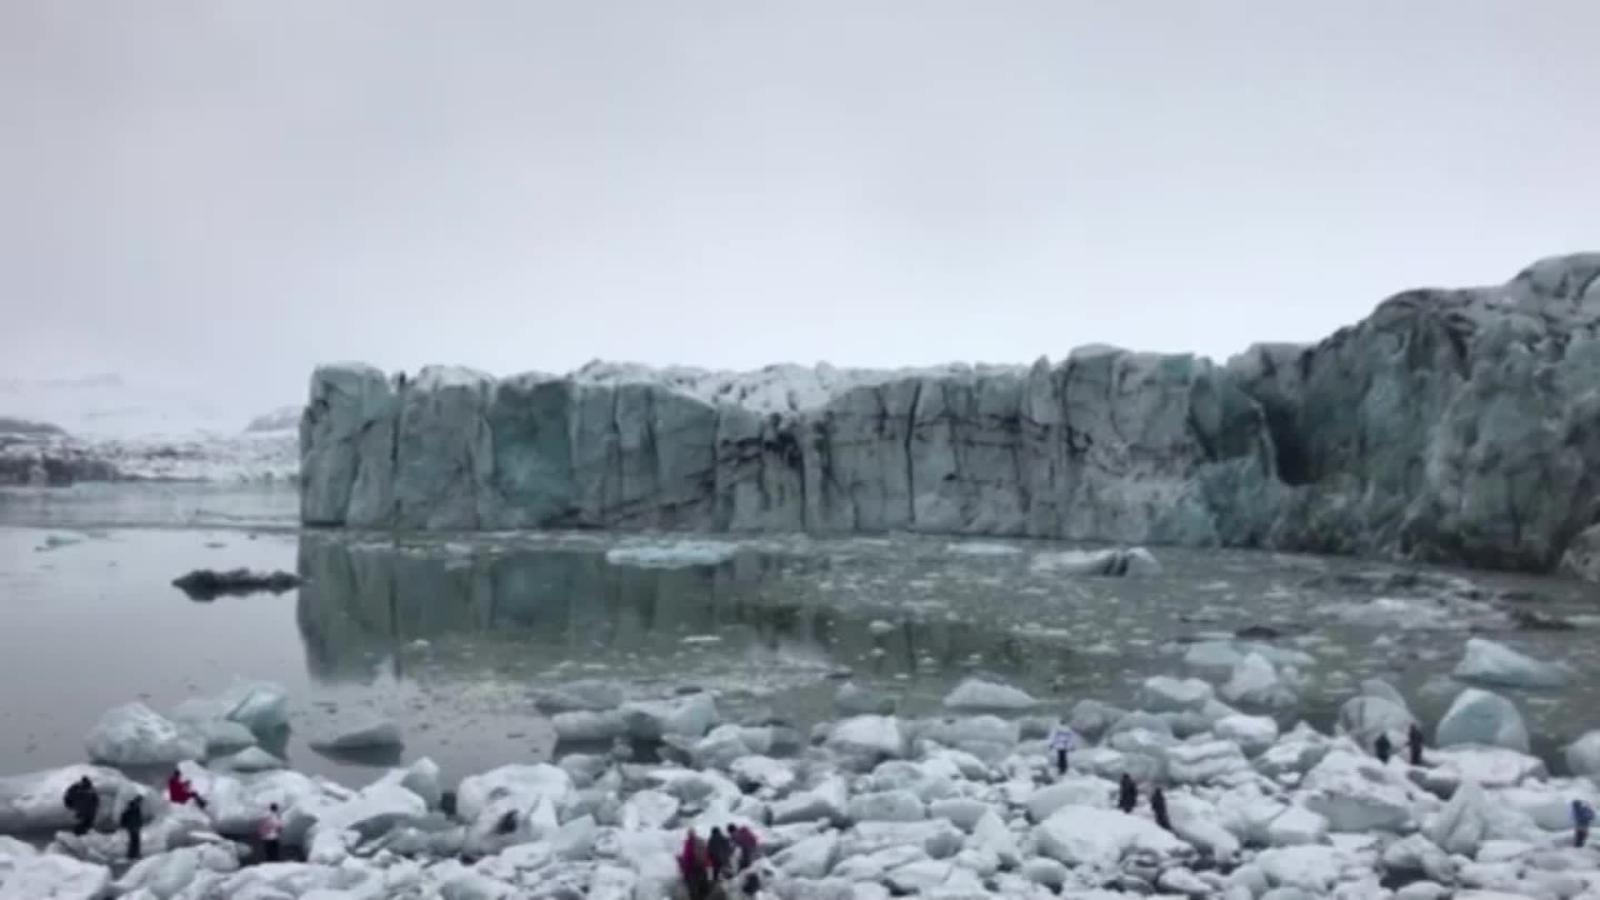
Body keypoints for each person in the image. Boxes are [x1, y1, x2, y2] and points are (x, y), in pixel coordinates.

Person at [679, 828, 708, 900]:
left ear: (689, 835)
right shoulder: (701, 841)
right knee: (702, 887)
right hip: (702, 867)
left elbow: (687, 857)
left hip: (692, 868)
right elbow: (706, 853)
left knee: (693, 888)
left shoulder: (688, 843)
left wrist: (685, 870)